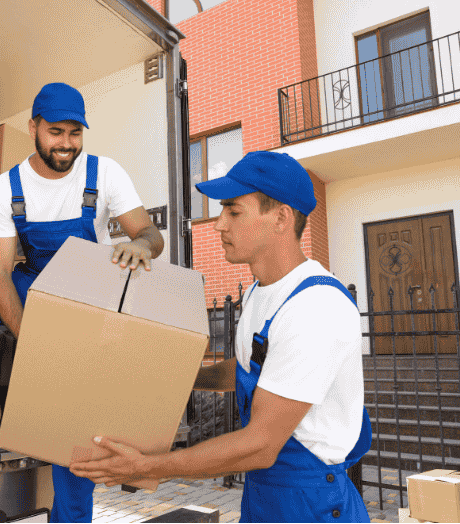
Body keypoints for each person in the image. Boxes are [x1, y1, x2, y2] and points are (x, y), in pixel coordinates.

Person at [0, 82, 164, 523]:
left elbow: (150, 234)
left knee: (73, 422)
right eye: (56, 132)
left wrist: (142, 245)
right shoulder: (5, 189)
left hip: (85, 299)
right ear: (34, 128)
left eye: (75, 134)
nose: (66, 144)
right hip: (32, 286)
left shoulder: (105, 174)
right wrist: (33, 342)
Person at [69, 151, 372, 523]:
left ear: (281, 218)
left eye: (234, 211)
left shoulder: (315, 307)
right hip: (265, 496)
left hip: (312, 504)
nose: (218, 225)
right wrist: (186, 380)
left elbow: (259, 446)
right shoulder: (260, 293)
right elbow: (252, 370)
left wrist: (150, 466)